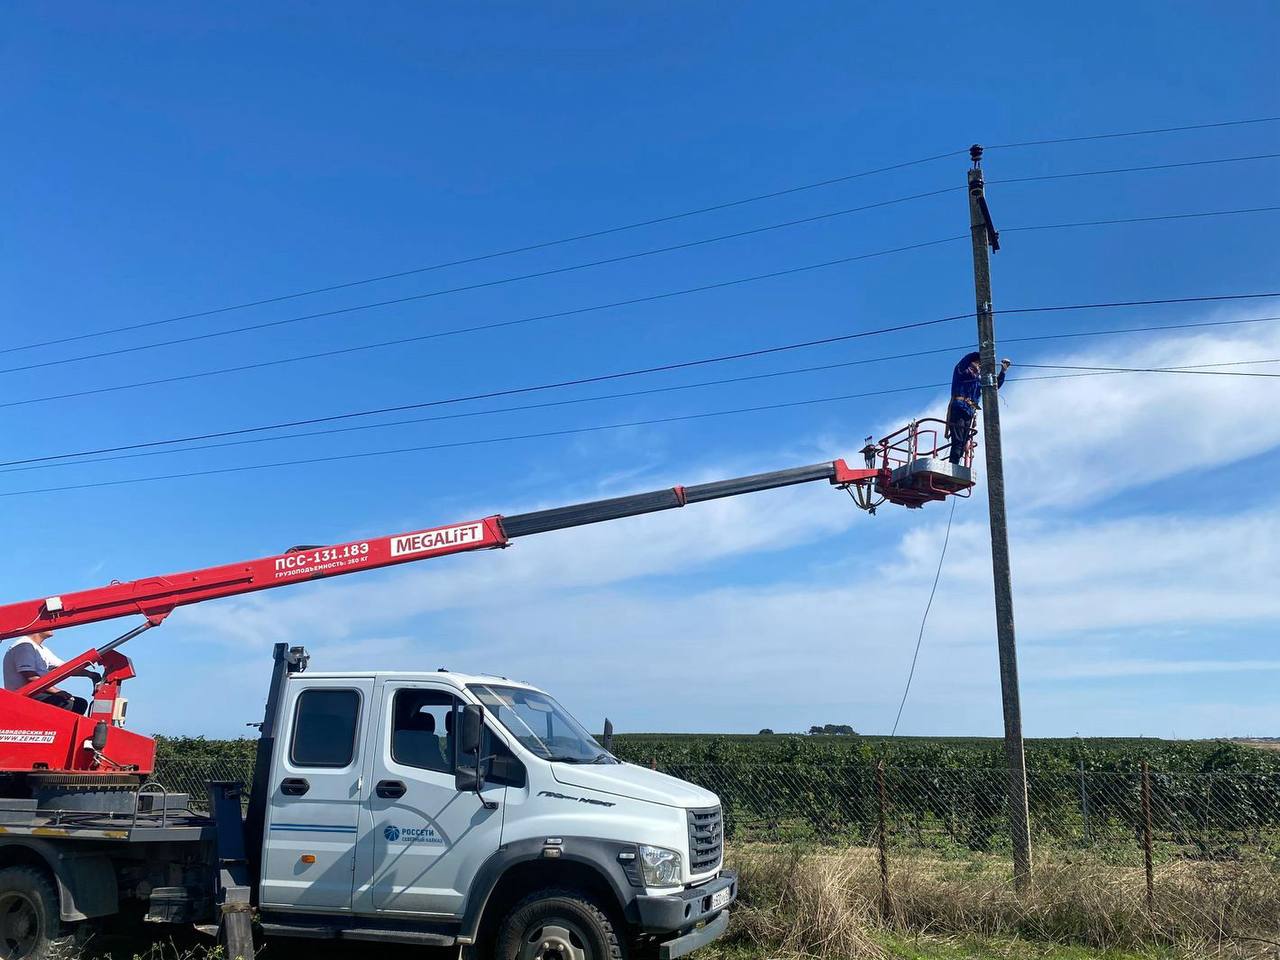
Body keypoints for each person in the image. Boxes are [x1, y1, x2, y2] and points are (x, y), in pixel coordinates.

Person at [2, 630, 99, 714]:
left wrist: (90, 674)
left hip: (36, 693)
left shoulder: (41, 649)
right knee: (68, 704)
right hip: (23, 697)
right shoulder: (24, 646)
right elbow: (30, 675)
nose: (52, 627)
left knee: (80, 703)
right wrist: (57, 691)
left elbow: (66, 668)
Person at [947, 351, 1011, 464]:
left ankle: (955, 464)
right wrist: (983, 353)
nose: (978, 367)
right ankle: (953, 464)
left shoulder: (978, 381)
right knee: (958, 441)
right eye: (977, 364)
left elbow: (993, 385)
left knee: (963, 443)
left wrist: (1003, 371)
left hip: (969, 411)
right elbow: (966, 359)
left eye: (980, 365)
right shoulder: (962, 371)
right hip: (958, 408)